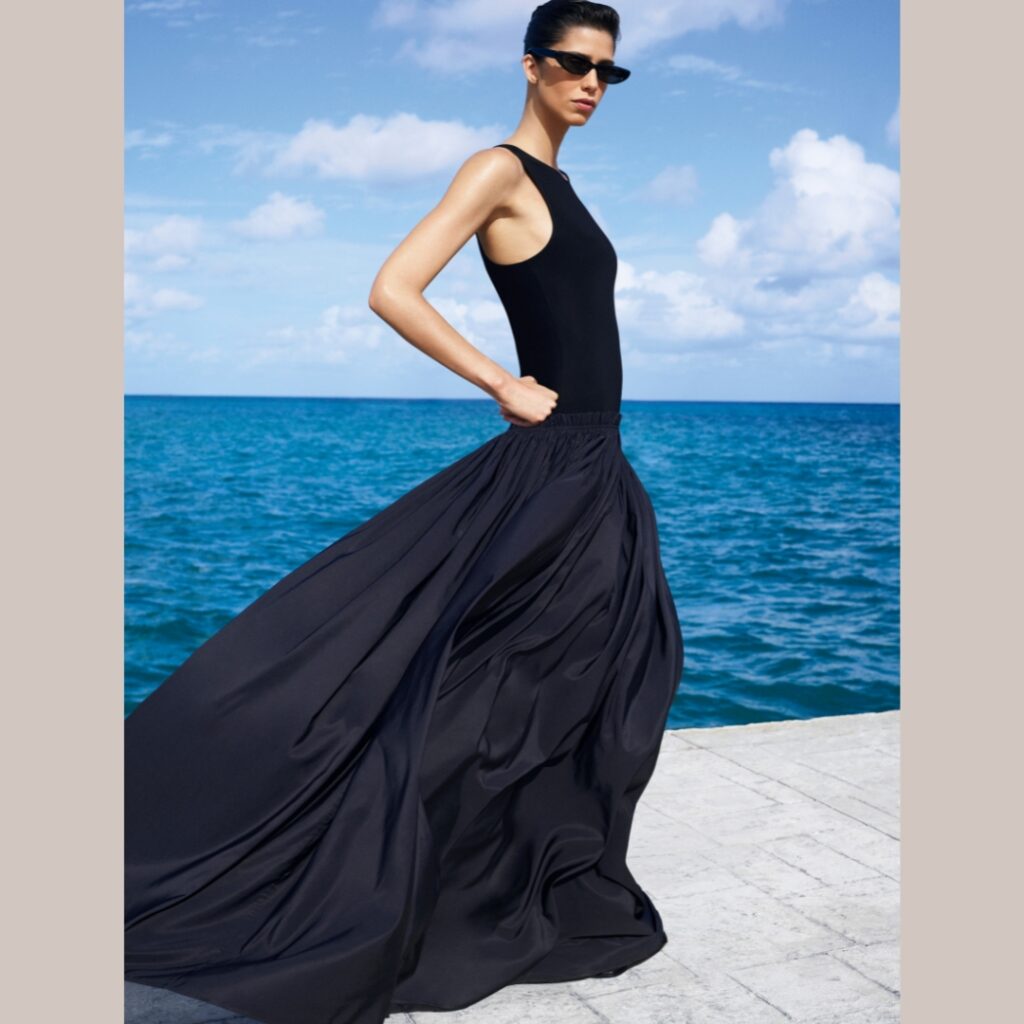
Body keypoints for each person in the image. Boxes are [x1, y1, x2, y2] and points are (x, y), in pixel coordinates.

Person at [124, 3, 684, 1023]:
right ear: (530, 63)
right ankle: (364, 859)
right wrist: (497, 382)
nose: (591, 83)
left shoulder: (563, 184)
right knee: (476, 669)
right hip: (552, 458)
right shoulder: (498, 169)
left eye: (609, 70)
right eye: (572, 63)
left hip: (594, 459)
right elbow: (393, 287)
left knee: (612, 664)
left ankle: (503, 866)